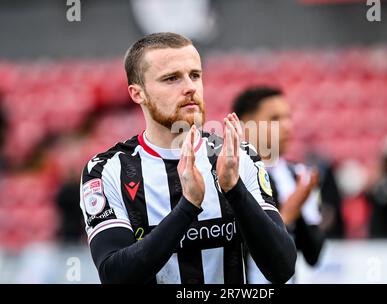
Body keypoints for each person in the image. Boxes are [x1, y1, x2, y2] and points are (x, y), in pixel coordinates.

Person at [79, 33, 296, 284]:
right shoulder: (107, 170)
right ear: (138, 94)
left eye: (195, 75)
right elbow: (116, 276)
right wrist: (188, 206)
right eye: (171, 78)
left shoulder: (239, 157)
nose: (190, 87)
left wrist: (234, 189)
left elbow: (282, 267)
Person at [232, 86, 325, 283]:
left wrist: (301, 209)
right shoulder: (228, 176)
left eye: (288, 117)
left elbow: (314, 254)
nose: (287, 126)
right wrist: (288, 214)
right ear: (245, 125)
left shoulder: (300, 176)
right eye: (274, 119)